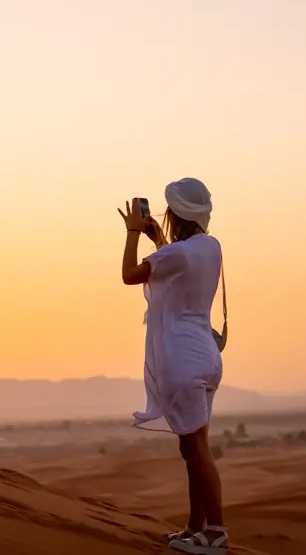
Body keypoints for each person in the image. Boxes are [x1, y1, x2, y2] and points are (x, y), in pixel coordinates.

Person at [117, 178, 229, 555]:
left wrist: (133, 233)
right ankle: (196, 527)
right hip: (207, 357)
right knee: (192, 447)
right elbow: (178, 265)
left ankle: (215, 534)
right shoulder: (209, 247)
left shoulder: (178, 254)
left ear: (175, 214)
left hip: (182, 358)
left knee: (196, 449)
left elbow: (130, 274)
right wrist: (156, 240)